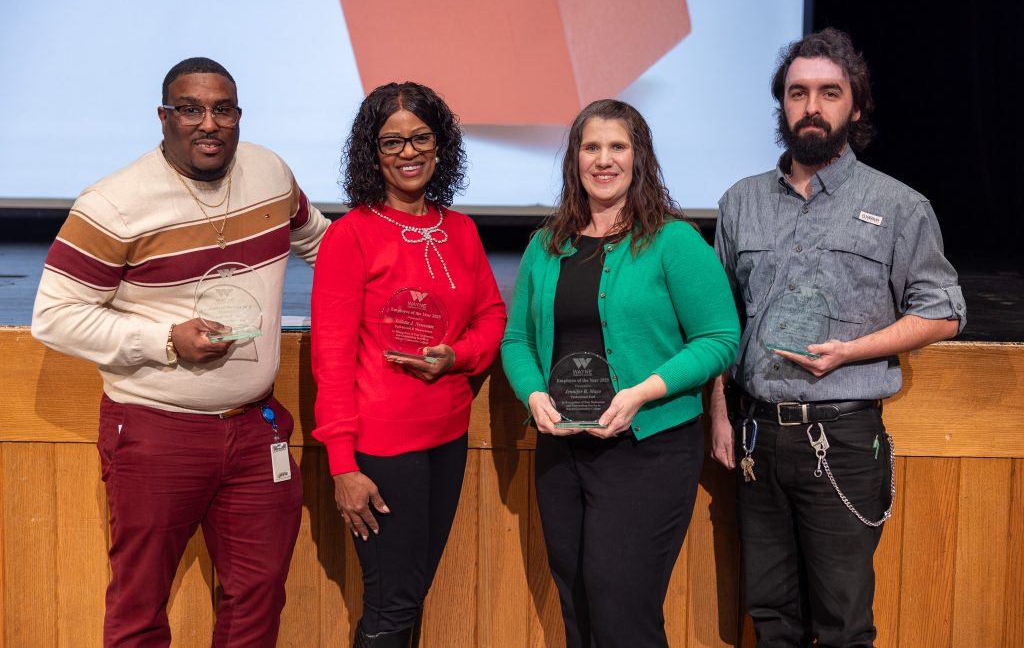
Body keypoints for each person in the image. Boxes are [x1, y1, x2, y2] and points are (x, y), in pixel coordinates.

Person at [31, 57, 331, 646]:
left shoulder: (270, 173)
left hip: (256, 430)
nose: (208, 123)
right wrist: (165, 340)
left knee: (258, 599)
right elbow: (53, 316)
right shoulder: (114, 204)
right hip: (155, 431)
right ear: (164, 117)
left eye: (223, 109)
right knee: (140, 608)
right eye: (190, 110)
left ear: (239, 116)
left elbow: (322, 242)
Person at [709, 28, 966, 647]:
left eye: (830, 93)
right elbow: (719, 324)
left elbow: (944, 311)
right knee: (770, 617)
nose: (812, 107)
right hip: (757, 435)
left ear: (856, 106)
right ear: (782, 105)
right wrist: (719, 414)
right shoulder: (740, 203)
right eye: (798, 93)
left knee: (843, 623)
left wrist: (852, 351)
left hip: (843, 438)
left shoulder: (899, 205)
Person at [501, 99, 740, 648]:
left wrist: (641, 393)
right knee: (578, 606)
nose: (603, 160)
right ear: (574, 158)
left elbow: (720, 339)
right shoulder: (547, 244)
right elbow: (516, 340)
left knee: (622, 615)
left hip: (647, 452)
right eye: (591, 147)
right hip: (562, 452)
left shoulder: (673, 241)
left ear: (640, 158)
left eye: (617, 147)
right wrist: (533, 393)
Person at [310, 82, 506, 647]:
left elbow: (491, 318)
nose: (408, 152)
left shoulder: (461, 230)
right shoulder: (351, 236)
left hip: (447, 438)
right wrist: (343, 466)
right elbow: (331, 359)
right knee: (392, 605)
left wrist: (457, 357)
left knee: (412, 594)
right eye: (392, 142)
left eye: (421, 137)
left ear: (441, 146)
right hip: (380, 448)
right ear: (372, 154)